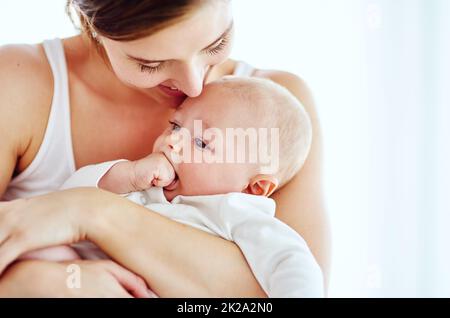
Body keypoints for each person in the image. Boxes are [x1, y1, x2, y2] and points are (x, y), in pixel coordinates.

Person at [0, 0, 331, 297]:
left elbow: (282, 286)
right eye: (149, 63)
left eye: (217, 43)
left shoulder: (277, 115)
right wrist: (38, 283)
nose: (195, 85)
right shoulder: (17, 84)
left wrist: (88, 211)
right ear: (95, 25)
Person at [20, 77, 324, 298]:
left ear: (254, 188)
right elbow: (70, 197)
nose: (173, 141)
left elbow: (293, 264)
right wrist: (129, 174)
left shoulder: (239, 215)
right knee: (44, 252)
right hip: (95, 279)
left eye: (202, 142)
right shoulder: (150, 186)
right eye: (176, 126)